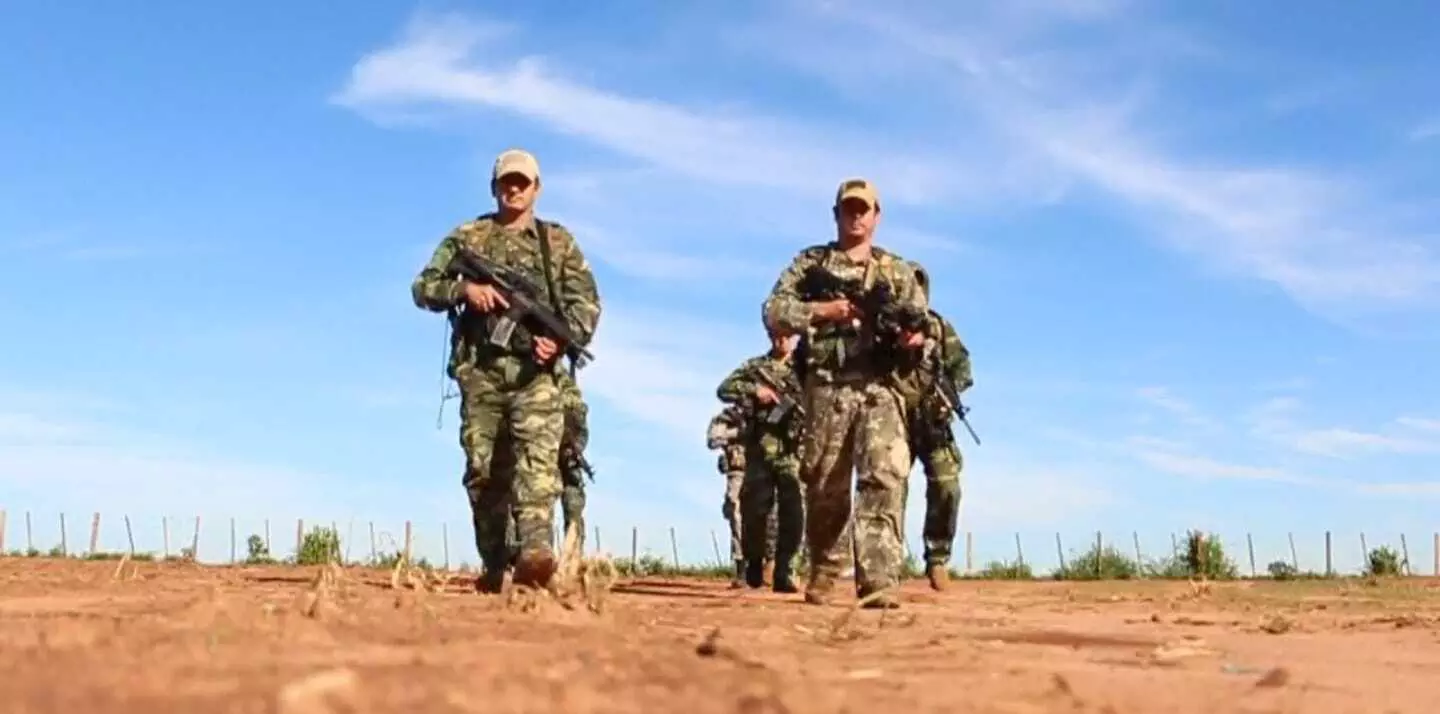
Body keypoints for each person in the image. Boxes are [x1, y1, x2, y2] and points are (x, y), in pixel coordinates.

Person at [410, 148, 601, 593]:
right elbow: (423, 287)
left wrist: (562, 340)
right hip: (481, 373)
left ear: (537, 188)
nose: (513, 189)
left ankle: (536, 552)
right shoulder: (469, 237)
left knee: (538, 467)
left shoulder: (558, 243)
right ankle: (496, 561)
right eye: (506, 182)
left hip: (537, 375)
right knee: (484, 472)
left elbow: (586, 304)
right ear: (494, 187)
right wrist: (465, 289)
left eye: (523, 182)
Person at [761, 177, 932, 609]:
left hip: (880, 387)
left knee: (885, 476)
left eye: (865, 209)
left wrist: (913, 340)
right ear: (836, 214)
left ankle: (878, 580)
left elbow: (922, 326)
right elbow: (774, 311)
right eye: (849, 209)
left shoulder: (896, 270)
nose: (857, 216)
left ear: (877, 216)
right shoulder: (810, 263)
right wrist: (825, 311)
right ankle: (824, 566)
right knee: (825, 483)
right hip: (828, 386)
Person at [894, 261, 972, 592]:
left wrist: (948, 396)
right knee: (887, 490)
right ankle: (885, 564)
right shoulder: (884, 326)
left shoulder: (940, 329)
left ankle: (937, 557)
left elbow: (963, 368)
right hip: (894, 418)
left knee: (947, 485)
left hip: (933, 420)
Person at [715, 329, 806, 593]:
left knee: (793, 510)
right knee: (755, 509)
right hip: (759, 448)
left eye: (787, 334)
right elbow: (724, 389)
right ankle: (754, 564)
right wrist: (756, 390)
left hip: (792, 449)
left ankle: (786, 569)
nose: (782, 340)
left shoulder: (804, 366)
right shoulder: (756, 367)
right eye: (777, 334)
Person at [499, 369, 593, 569]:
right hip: (551, 434)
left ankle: (567, 555)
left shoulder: (540, 381)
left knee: (537, 487)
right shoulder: (554, 382)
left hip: (559, 436)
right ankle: (532, 553)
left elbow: (578, 416)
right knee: (531, 488)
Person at [706, 404, 778, 588]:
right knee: (737, 517)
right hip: (738, 474)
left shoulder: (769, 411)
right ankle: (742, 569)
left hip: (764, 471)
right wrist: (740, 432)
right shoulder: (727, 417)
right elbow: (713, 439)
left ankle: (770, 565)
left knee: (770, 517)